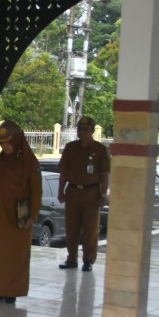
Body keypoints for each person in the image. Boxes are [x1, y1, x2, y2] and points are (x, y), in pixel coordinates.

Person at [0, 120, 42, 304]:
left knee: (15, 257)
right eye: (1, 143)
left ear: (17, 141)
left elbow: (36, 192)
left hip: (18, 219)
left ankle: (12, 291)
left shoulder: (30, 163)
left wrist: (33, 215)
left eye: (8, 142)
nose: (4, 146)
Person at [57, 115, 109, 271]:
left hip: (91, 193)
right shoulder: (70, 148)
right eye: (80, 129)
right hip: (73, 192)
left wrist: (103, 195)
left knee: (90, 230)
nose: (82, 132)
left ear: (92, 131)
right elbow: (64, 172)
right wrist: (61, 191)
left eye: (86, 129)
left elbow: (105, 175)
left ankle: (88, 260)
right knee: (71, 228)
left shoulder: (100, 150)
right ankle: (71, 258)